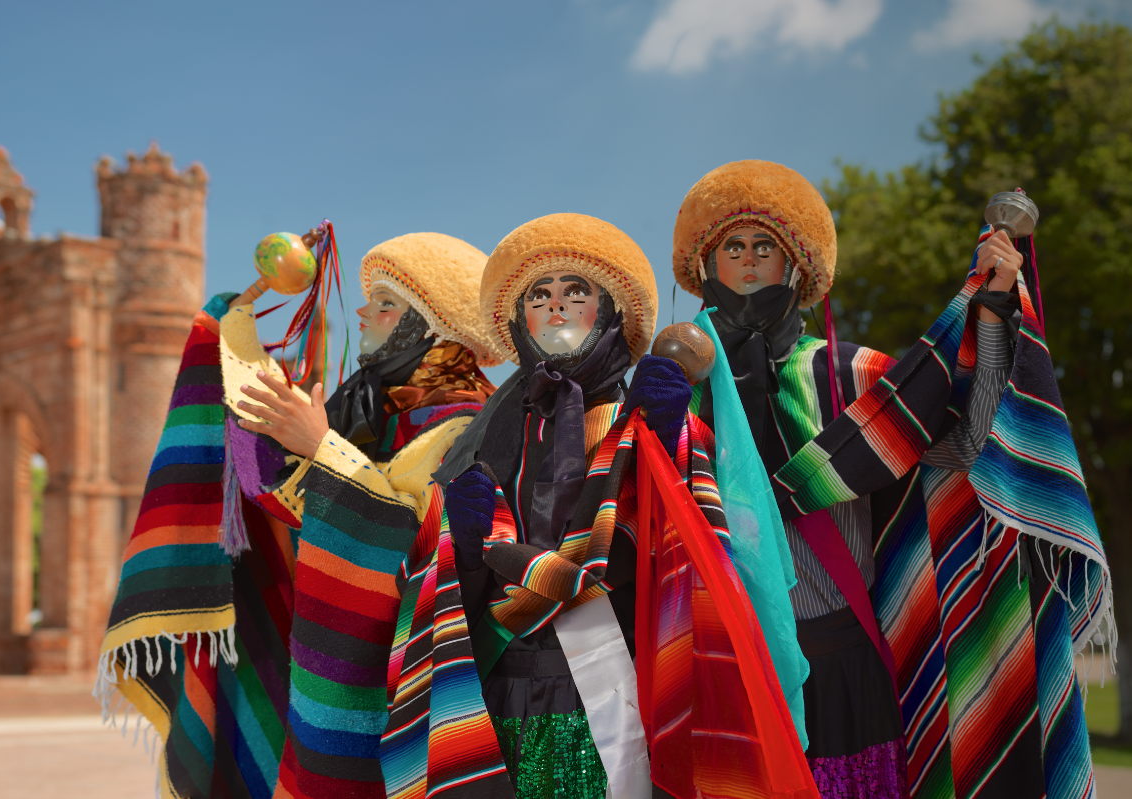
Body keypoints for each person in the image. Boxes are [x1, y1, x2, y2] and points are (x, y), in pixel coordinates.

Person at [634, 160, 1111, 796]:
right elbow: (643, 523)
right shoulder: (678, 387)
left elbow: (966, 441)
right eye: (733, 246)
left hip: (847, 661)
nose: (748, 261)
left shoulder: (857, 375)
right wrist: (655, 425)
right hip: (722, 660)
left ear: (795, 266)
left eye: (764, 247)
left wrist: (993, 312)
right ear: (705, 265)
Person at [99, 232, 505, 799]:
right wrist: (237, 324)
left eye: (387, 303)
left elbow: (416, 543)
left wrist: (322, 448)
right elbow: (279, 487)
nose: (363, 312)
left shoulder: (471, 427)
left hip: (411, 690)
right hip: (331, 670)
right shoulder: (371, 421)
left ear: (436, 332)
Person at [424, 212, 670, 798]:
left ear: (610, 312)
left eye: (575, 291)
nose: (556, 305)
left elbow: (688, 555)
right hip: (497, 697)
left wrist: (671, 444)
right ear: (521, 321)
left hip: (613, 696)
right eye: (540, 295)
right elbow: (444, 586)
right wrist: (463, 549)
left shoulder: (639, 421)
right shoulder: (485, 435)